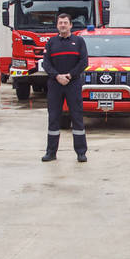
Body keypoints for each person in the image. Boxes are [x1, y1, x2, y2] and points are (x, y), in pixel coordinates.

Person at [41, 13, 89, 162]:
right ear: (57, 25)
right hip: (55, 84)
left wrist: (69, 75)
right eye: (60, 23)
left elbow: (84, 62)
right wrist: (57, 76)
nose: (62, 25)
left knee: (77, 118)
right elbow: (46, 63)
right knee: (54, 118)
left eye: (65, 22)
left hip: (73, 83)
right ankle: (51, 152)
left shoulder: (79, 41)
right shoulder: (51, 42)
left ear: (70, 25)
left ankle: (81, 152)